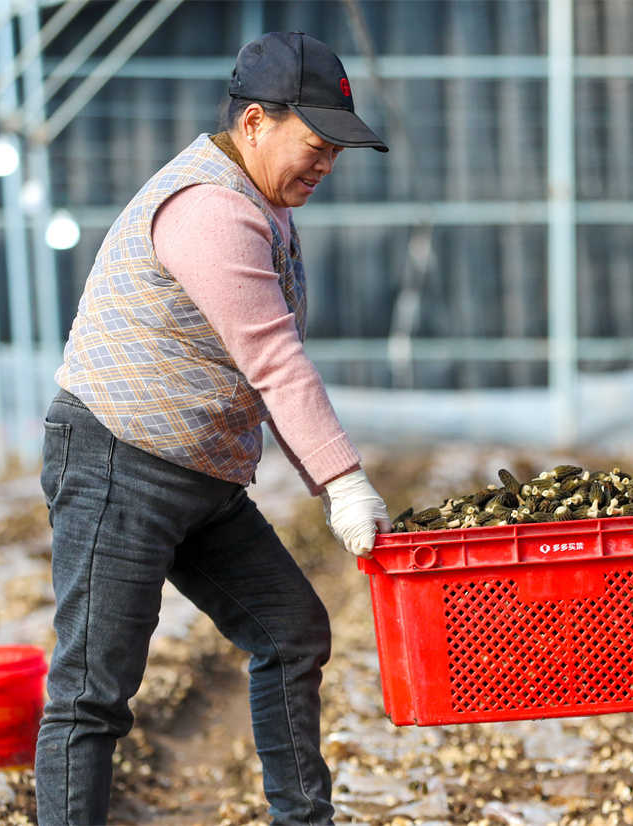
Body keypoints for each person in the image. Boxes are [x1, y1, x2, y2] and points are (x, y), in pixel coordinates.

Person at [35, 32, 392, 825]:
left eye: (338, 147)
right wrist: (343, 481)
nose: (327, 162)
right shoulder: (208, 208)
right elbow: (274, 361)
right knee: (93, 692)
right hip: (119, 462)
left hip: (201, 477)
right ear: (257, 121)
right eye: (317, 141)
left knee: (291, 632)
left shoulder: (261, 201)